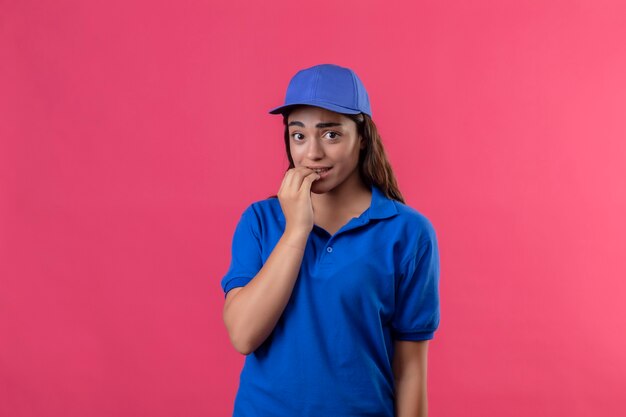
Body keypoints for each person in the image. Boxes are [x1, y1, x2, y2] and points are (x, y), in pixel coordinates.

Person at [220, 63, 440, 417]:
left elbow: (410, 370)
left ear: (363, 136)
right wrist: (295, 230)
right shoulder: (259, 221)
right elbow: (244, 334)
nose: (312, 154)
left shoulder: (408, 232)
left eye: (331, 134)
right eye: (299, 135)